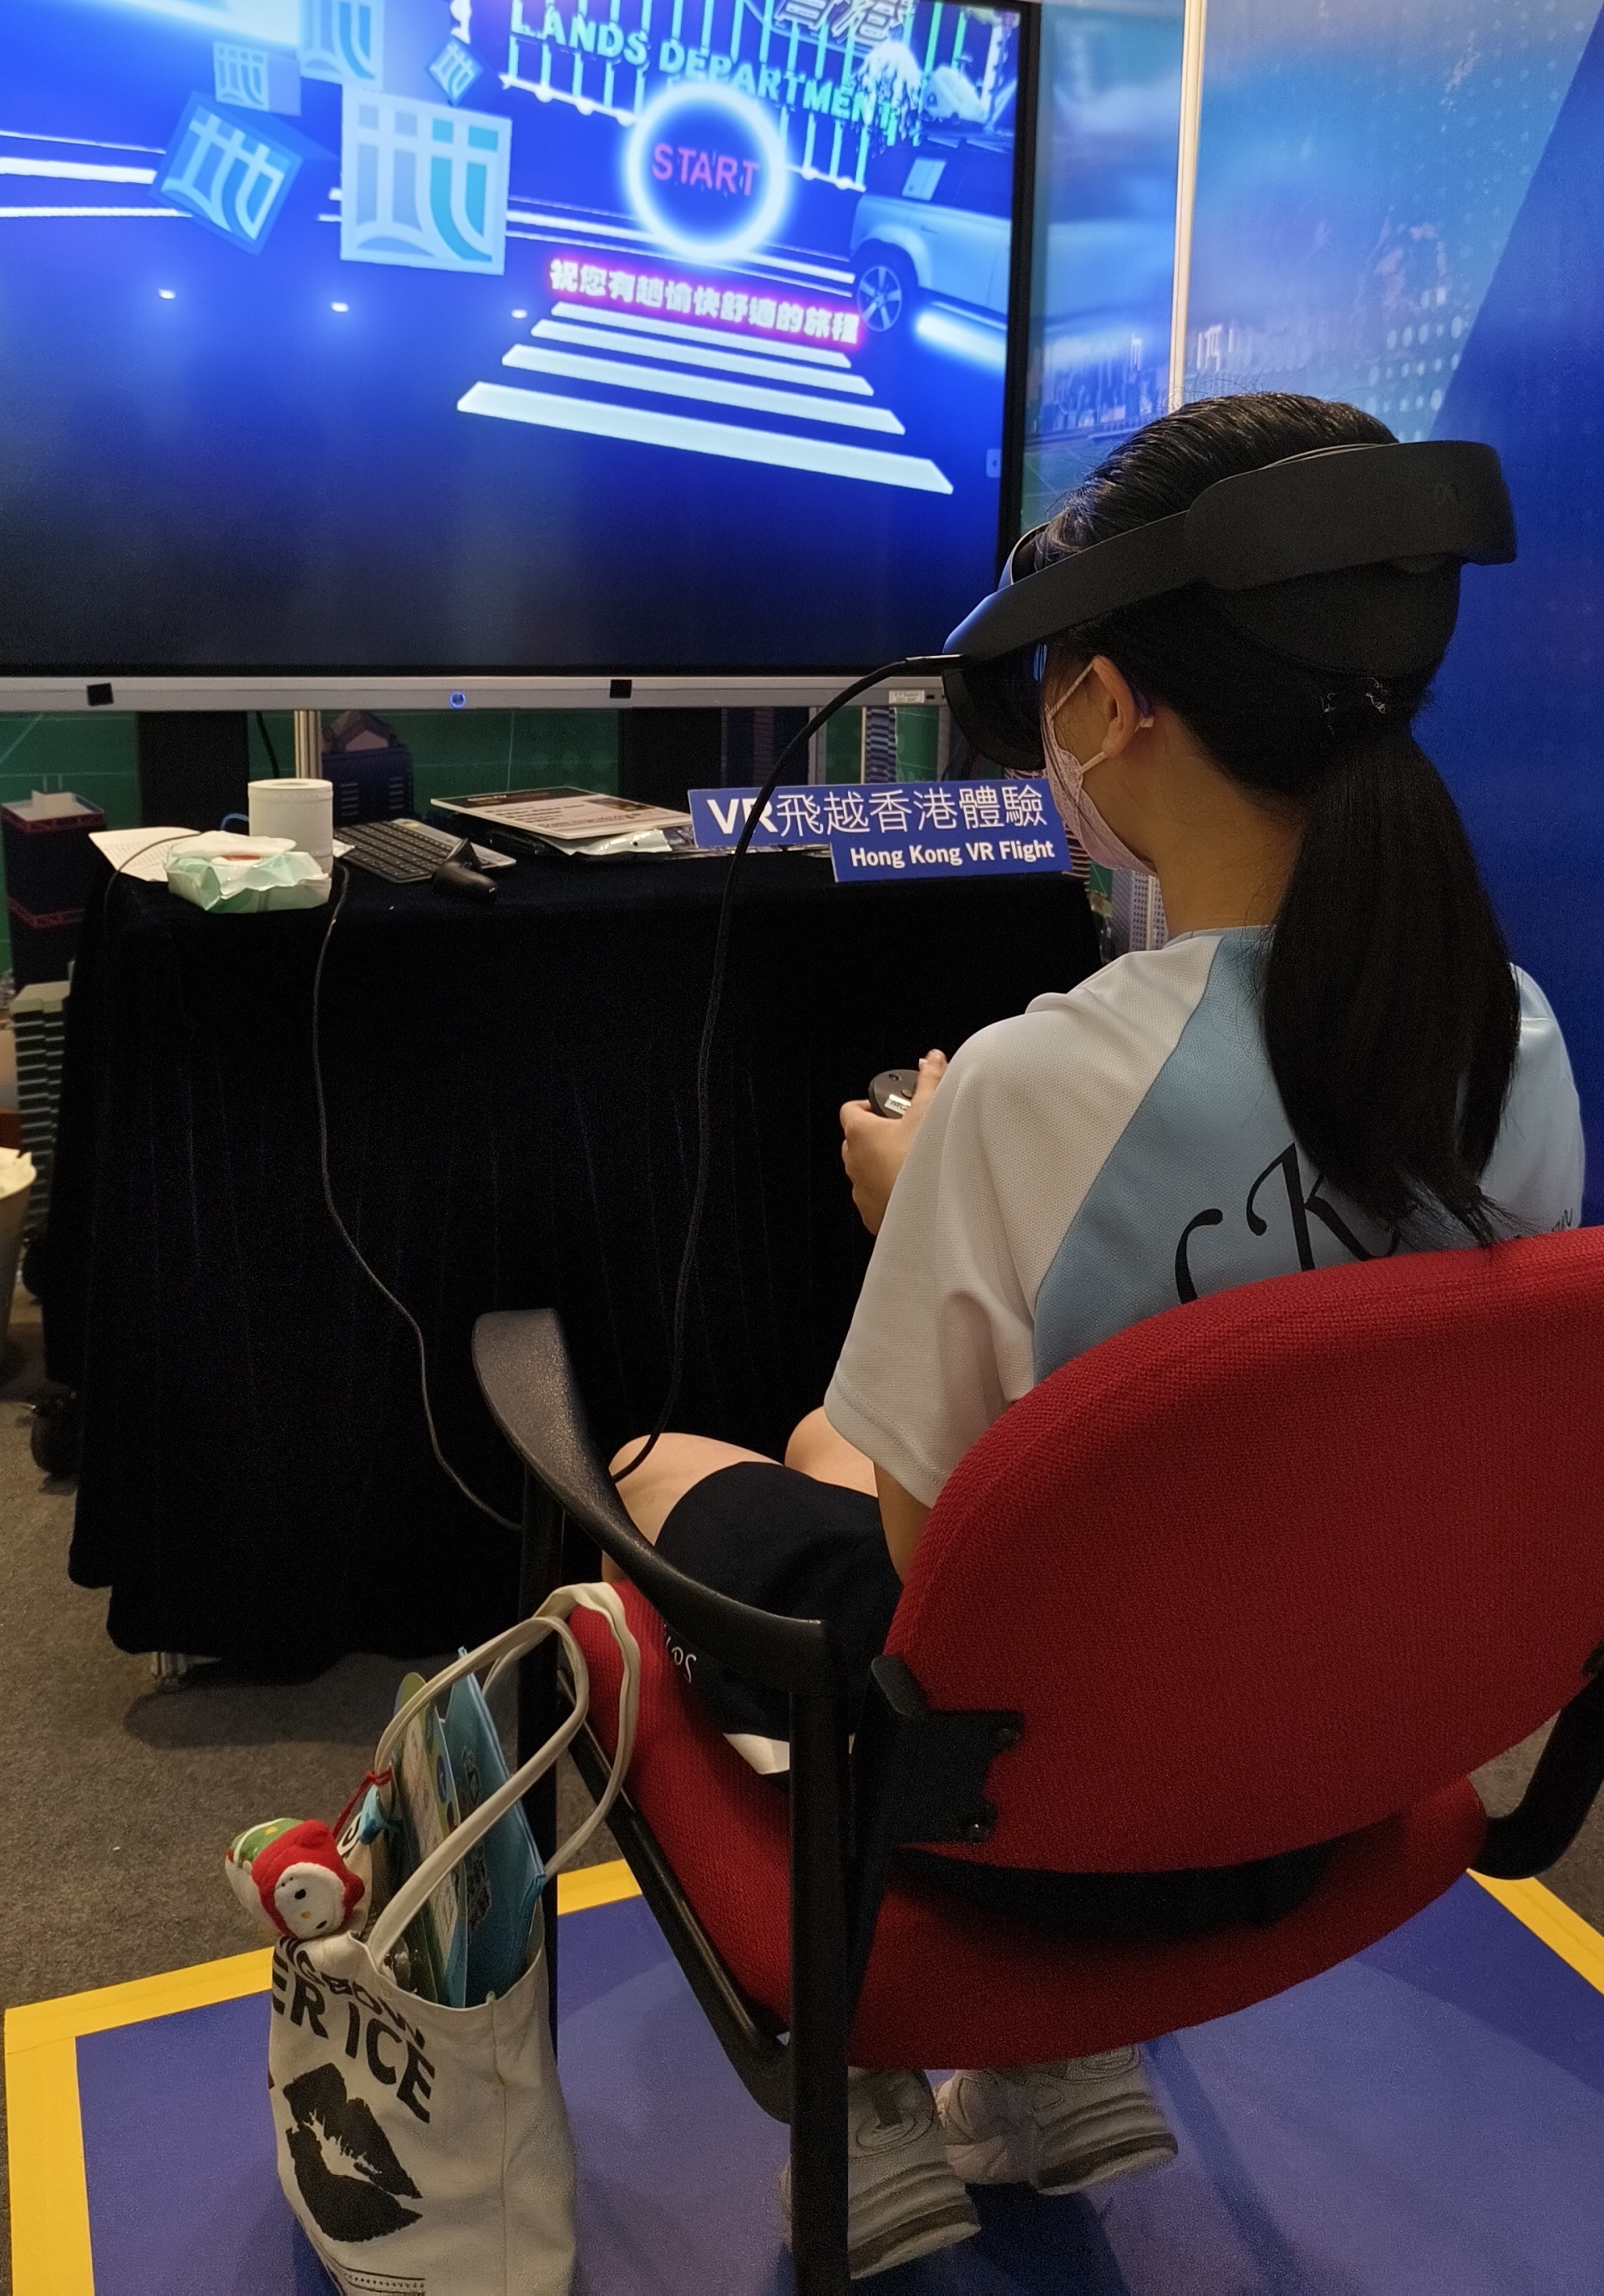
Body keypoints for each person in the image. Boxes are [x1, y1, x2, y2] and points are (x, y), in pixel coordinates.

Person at [611, 394, 1585, 2278]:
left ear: (1111, 704)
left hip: (1065, 1824)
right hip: (1342, 1768)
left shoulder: (1030, 1089)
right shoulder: (1515, 1036)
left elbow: (942, 1594)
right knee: (833, 1452)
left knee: (673, 1467)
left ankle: (874, 2065)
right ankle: (1047, 2075)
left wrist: (927, 1202)